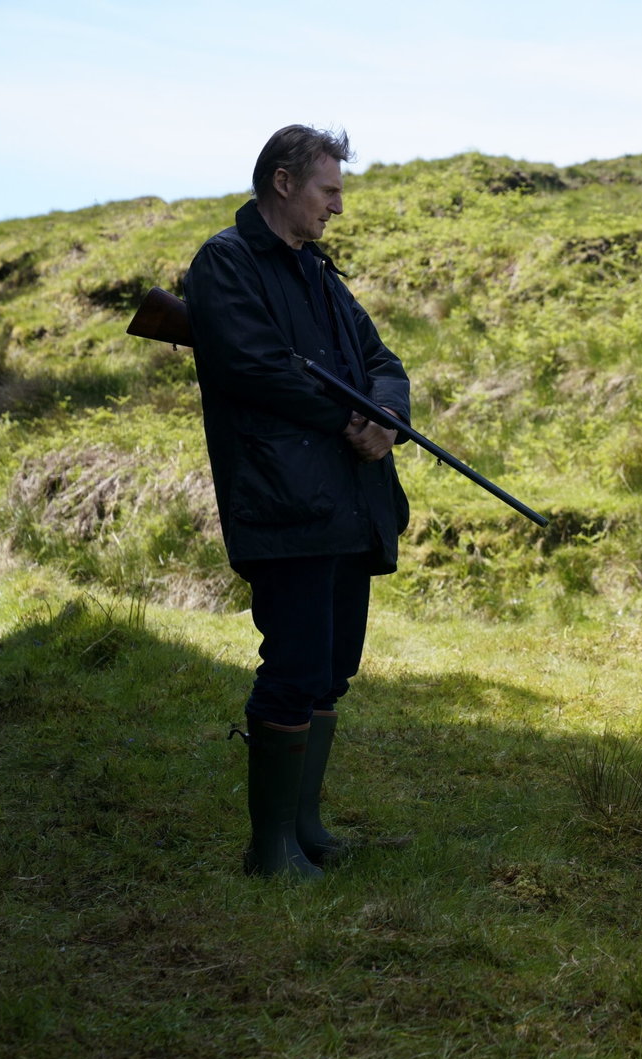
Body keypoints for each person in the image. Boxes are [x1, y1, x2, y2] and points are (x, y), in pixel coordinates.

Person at [184, 125, 411, 879]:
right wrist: (347, 418)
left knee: (332, 668)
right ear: (284, 183)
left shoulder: (322, 275)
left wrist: (386, 416)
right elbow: (252, 368)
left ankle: (304, 825)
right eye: (329, 191)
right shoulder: (226, 263)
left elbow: (381, 362)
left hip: (347, 501)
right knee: (292, 664)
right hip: (284, 503)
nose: (337, 208)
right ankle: (270, 846)